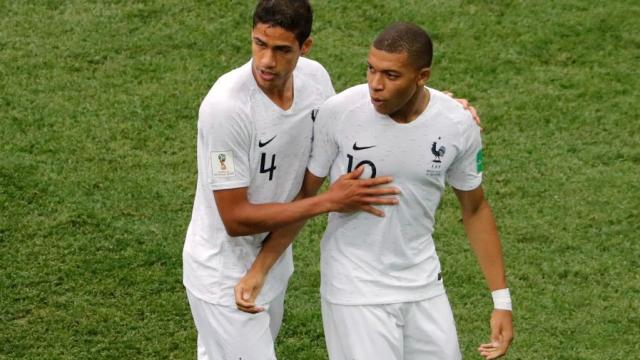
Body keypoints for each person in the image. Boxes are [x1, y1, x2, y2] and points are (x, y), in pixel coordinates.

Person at [235, 22, 513, 359]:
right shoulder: (341, 112)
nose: (375, 85)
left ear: (422, 76)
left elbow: (475, 209)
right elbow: (306, 197)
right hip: (354, 288)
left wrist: (501, 301)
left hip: (423, 284)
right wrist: (260, 269)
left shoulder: (457, 124)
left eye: (391, 76)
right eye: (371, 70)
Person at [182, 1, 402, 359]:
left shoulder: (315, 81)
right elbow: (235, 219)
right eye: (259, 44)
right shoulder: (226, 110)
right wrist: (331, 202)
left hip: (271, 262)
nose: (267, 61)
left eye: (282, 50)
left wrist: (443, 106)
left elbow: (361, 113)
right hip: (221, 274)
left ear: (305, 47)